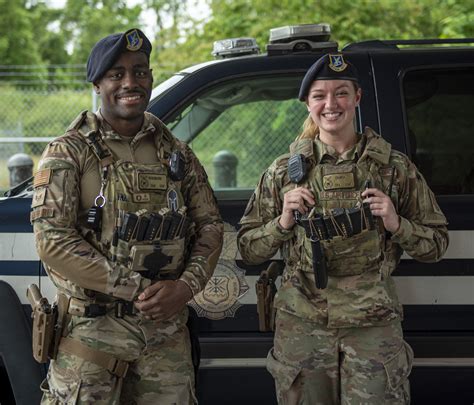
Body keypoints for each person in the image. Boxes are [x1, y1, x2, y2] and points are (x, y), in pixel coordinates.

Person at [237, 53, 449, 404]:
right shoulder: (282, 172)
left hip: (373, 326)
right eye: (320, 95)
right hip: (303, 324)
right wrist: (283, 222)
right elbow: (246, 249)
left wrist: (396, 223)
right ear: (307, 103)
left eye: (341, 93)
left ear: (357, 98)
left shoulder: (394, 169)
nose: (330, 104)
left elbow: (437, 244)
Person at [31, 28, 223, 404]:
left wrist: (185, 287)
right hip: (91, 335)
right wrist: (134, 289)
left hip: (165, 336)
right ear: (98, 83)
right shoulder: (69, 152)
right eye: (116, 74)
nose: (130, 83)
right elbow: (52, 240)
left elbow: (210, 226)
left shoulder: (177, 154)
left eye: (140, 71)